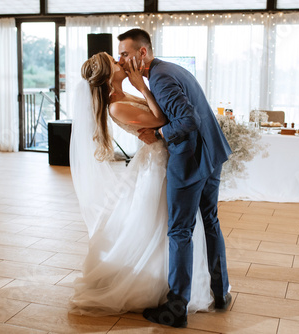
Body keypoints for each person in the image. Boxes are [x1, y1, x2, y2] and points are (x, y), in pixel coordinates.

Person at [69, 52, 213, 316]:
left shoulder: (122, 96)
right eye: (115, 62)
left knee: (169, 224)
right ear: (109, 75)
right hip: (156, 166)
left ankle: (173, 284)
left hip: (163, 158)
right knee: (160, 223)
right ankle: (159, 287)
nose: (121, 62)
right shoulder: (115, 105)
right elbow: (161, 120)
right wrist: (142, 87)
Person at [118, 29, 233, 328]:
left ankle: (176, 307)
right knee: (210, 221)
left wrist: (157, 133)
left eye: (126, 54)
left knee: (179, 230)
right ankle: (220, 293)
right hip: (212, 153)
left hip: (190, 159)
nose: (122, 60)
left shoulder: (161, 78)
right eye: (119, 55)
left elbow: (188, 120)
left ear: (142, 53)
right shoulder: (168, 69)